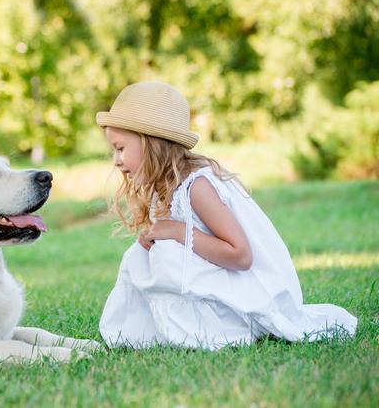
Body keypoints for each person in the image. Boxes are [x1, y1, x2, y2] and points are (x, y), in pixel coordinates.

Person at [96, 81, 357, 350]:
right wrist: (156, 238)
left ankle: (211, 329)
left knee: (169, 251)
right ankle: (153, 327)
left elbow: (241, 256)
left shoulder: (197, 187)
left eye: (120, 148)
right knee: (139, 257)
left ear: (151, 144)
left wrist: (175, 232)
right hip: (221, 284)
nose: (116, 160)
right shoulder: (163, 186)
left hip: (249, 294)